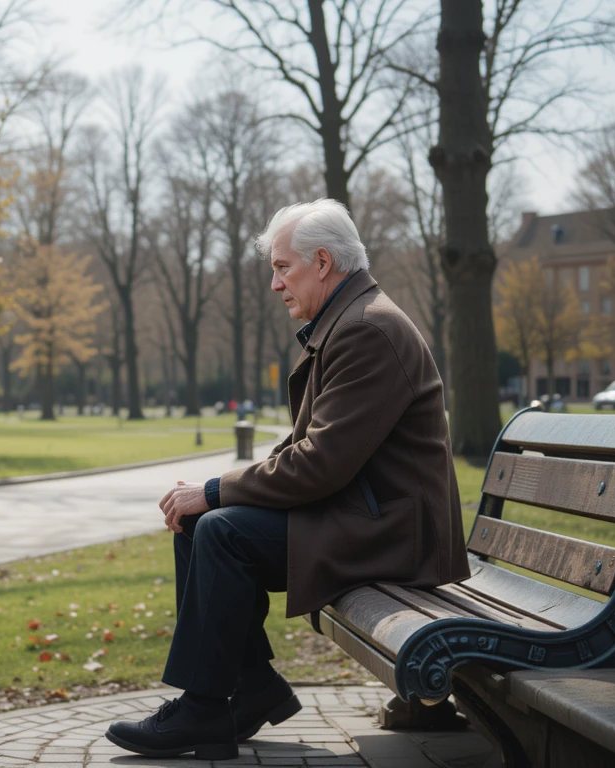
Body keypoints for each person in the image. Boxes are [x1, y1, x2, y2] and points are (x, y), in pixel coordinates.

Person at [105, 199, 470, 760]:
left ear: (322, 262)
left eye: (282, 267)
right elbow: (305, 450)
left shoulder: (367, 330)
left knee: (220, 529)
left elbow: (319, 464)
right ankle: (250, 690)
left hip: (396, 535)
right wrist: (210, 494)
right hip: (370, 516)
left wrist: (214, 491)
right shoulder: (350, 321)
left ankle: (207, 709)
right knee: (204, 525)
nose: (275, 283)